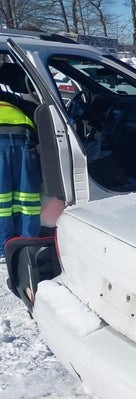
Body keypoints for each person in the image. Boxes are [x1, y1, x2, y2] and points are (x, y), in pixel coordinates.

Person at [0, 62, 40, 262]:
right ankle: (28, 242)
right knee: (27, 198)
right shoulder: (13, 98)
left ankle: (3, 247)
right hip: (23, 137)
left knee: (2, 199)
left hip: (13, 138)